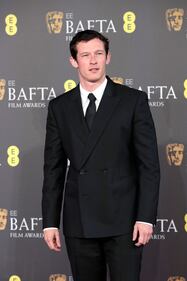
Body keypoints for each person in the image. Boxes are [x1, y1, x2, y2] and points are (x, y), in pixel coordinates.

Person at [42, 29, 160, 281]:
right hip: (79, 221)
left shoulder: (132, 101)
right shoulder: (59, 107)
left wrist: (145, 218)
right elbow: (53, 168)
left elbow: (148, 166)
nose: (93, 60)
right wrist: (50, 222)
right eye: (85, 55)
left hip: (125, 222)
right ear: (74, 61)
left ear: (108, 57)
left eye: (98, 53)